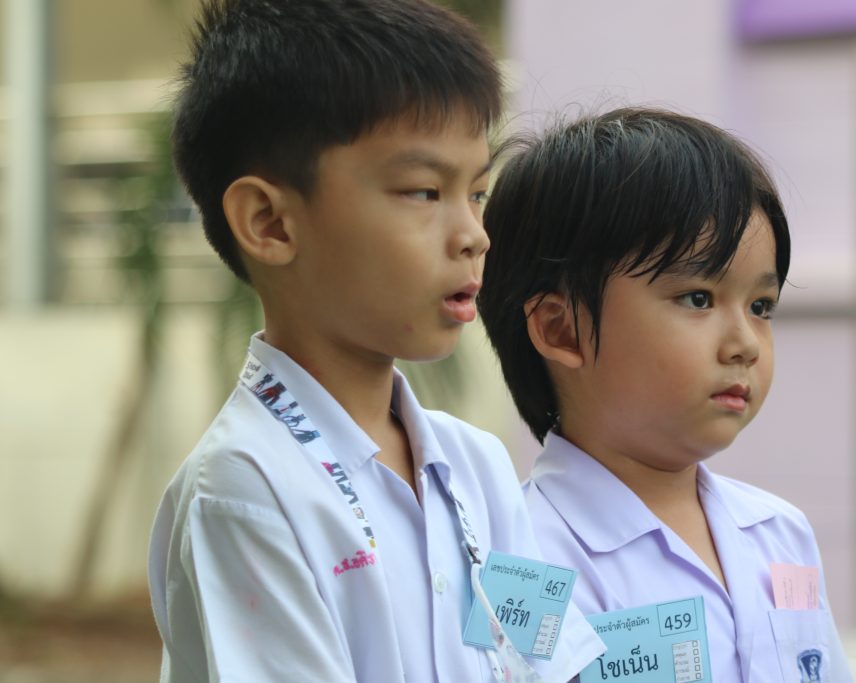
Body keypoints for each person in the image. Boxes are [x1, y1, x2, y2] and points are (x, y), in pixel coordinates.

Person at [147, 1, 603, 681]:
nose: (473, 234)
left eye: (477, 193)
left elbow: (548, 659)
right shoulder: (244, 487)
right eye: (424, 192)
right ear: (270, 222)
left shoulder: (477, 466)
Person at [478, 107, 854, 682]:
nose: (745, 344)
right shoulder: (520, 566)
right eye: (698, 299)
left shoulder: (780, 532)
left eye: (761, 306)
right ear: (561, 329)